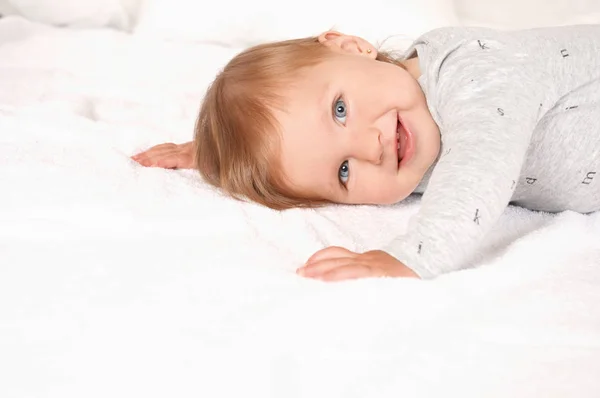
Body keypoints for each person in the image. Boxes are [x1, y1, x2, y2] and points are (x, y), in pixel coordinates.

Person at [131, 25, 600, 282]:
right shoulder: (400, 129)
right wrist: (221, 156)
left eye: (339, 110)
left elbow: (481, 164)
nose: (369, 147)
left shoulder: (474, 70)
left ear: (353, 47)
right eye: (341, 170)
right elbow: (293, 147)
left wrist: (411, 257)